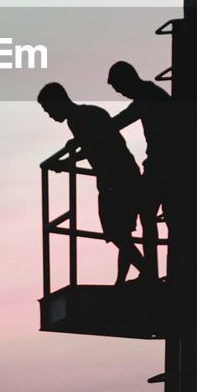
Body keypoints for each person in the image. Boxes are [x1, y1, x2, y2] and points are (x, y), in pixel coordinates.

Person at [37, 82, 149, 284]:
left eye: (49, 110)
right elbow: (92, 144)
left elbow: (96, 145)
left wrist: (68, 159)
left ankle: (147, 272)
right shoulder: (83, 117)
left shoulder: (83, 117)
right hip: (120, 177)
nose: (50, 116)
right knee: (123, 234)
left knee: (117, 233)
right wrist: (74, 148)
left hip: (117, 179)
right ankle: (123, 281)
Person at [107, 61, 175, 274]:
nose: (121, 93)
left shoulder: (148, 96)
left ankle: (153, 273)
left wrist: (92, 131)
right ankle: (152, 272)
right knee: (150, 215)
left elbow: (122, 120)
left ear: (128, 80)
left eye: (120, 88)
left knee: (153, 215)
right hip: (160, 163)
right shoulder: (149, 94)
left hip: (165, 164)